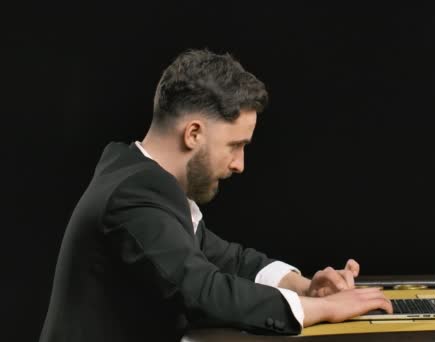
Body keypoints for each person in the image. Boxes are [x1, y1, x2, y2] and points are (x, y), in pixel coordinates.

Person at [39, 49, 392, 342]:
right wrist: (324, 310)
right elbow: (202, 292)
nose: (240, 164)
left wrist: (304, 286)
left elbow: (228, 260)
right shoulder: (132, 196)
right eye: (235, 145)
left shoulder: (141, 179)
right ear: (193, 133)